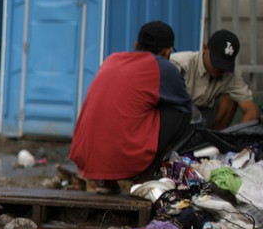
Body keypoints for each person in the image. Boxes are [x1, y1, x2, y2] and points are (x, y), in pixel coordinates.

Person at [68, 21, 194, 194]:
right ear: (168, 51)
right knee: (181, 113)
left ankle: (105, 181)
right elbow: (185, 106)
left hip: (87, 156)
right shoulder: (162, 67)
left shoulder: (111, 59)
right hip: (126, 155)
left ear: (136, 45)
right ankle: (145, 175)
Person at [169, 29, 258, 129]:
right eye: (216, 62)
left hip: (206, 118)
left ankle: (215, 141)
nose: (219, 69)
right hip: (178, 116)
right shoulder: (179, 64)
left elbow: (251, 112)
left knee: (229, 99)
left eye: (224, 65)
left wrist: (236, 137)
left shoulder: (232, 75)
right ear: (205, 48)